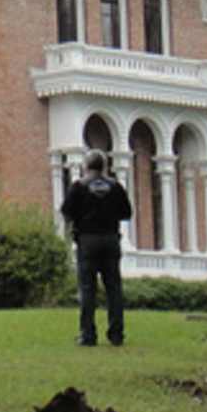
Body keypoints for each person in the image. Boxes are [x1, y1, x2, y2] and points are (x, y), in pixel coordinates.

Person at [59, 149, 133, 347]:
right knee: (114, 289)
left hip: (87, 240)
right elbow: (127, 212)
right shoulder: (116, 187)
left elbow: (66, 212)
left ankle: (88, 334)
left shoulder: (78, 187)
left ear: (86, 166)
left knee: (87, 288)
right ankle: (116, 334)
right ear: (104, 166)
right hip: (110, 239)